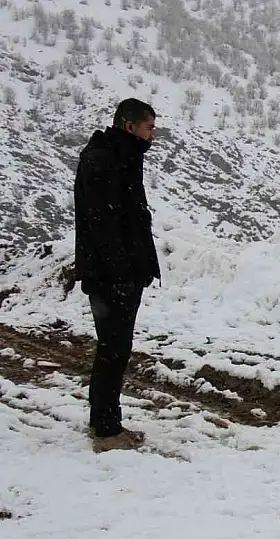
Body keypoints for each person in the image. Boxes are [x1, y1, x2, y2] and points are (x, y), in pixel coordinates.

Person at [73, 98, 161, 452]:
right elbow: (103, 222)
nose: (153, 135)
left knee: (114, 348)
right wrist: (122, 269)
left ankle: (103, 421)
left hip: (119, 271)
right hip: (112, 275)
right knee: (113, 349)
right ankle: (107, 431)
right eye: (149, 128)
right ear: (129, 126)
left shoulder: (119, 155)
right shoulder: (105, 160)